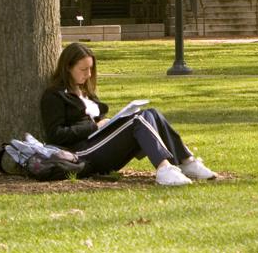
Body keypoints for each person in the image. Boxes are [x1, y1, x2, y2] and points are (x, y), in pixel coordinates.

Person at [40, 42, 218, 186]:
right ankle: (164, 168)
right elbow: (56, 134)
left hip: (101, 144)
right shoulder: (54, 95)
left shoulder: (85, 92)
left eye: (90, 69)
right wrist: (94, 126)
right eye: (83, 69)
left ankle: (187, 162)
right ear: (68, 68)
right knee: (138, 120)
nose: (88, 74)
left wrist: (107, 124)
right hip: (83, 152)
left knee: (151, 113)